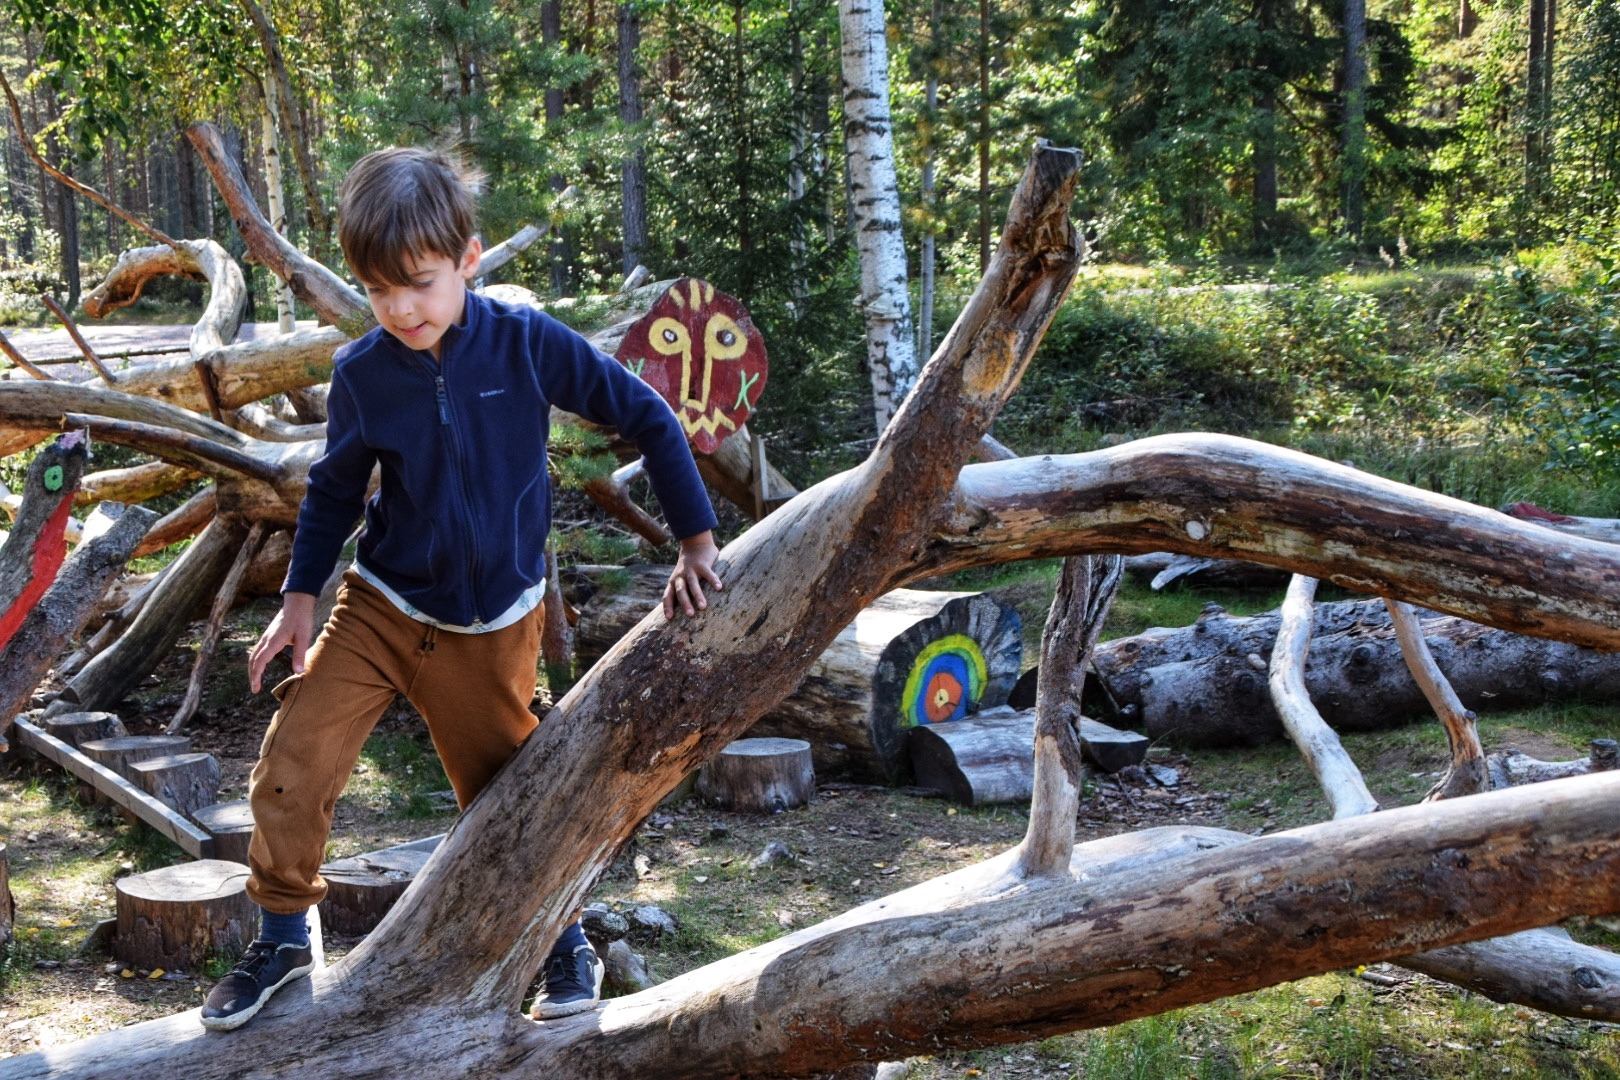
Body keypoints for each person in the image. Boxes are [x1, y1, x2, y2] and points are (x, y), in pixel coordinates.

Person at [201, 146, 722, 1032]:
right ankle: (285, 937)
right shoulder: (367, 372)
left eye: (419, 282)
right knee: (294, 760)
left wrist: (695, 539)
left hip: (492, 627)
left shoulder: (526, 344)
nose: (400, 308)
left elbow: (647, 413)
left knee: (511, 803)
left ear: (468, 262)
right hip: (384, 606)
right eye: (379, 289)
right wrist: (297, 602)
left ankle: (562, 939)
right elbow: (333, 488)